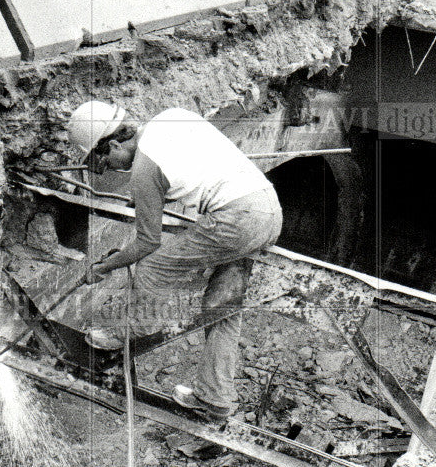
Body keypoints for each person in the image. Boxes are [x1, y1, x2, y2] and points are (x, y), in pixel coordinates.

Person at [66, 100, 283, 420]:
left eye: (105, 161)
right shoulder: (170, 117)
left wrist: (102, 267)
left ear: (112, 143)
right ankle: (215, 396)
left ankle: (128, 329)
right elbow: (194, 174)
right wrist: (148, 196)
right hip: (268, 212)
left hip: (237, 219)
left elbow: (147, 243)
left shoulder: (143, 169)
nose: (109, 169)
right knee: (222, 306)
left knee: (152, 266)